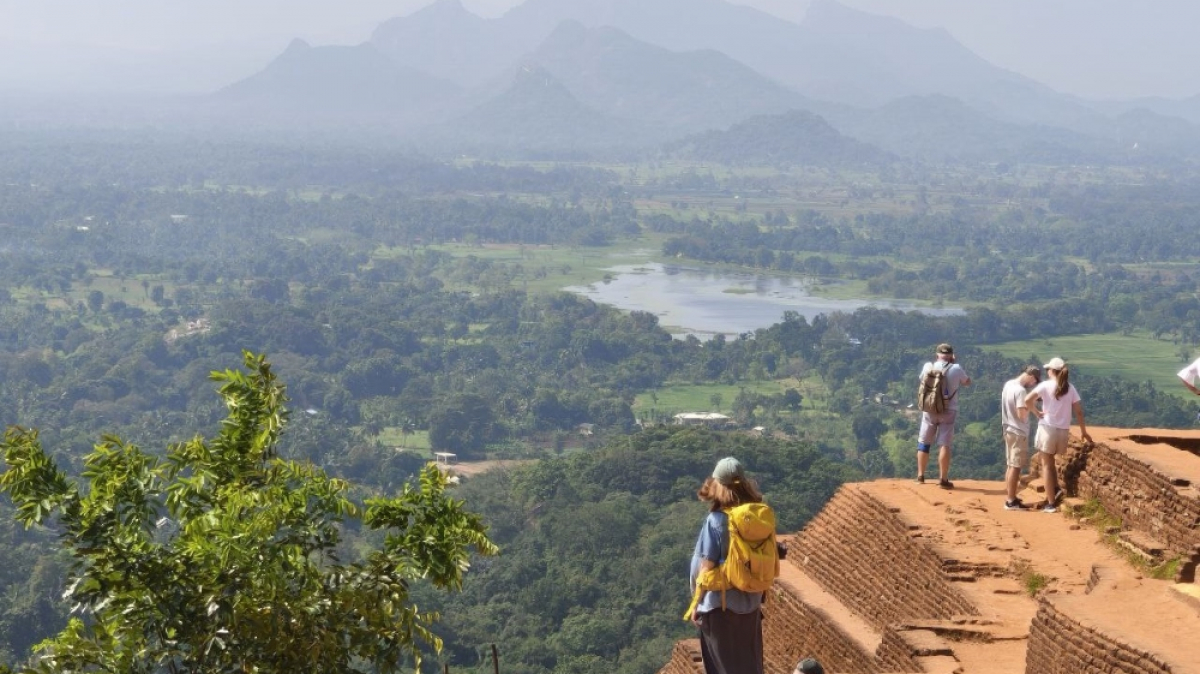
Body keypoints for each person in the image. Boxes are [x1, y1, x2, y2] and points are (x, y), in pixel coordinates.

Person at [689, 457, 765, 674]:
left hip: (720, 607)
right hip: (751, 605)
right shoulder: (757, 516)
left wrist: (696, 604)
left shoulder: (716, 521)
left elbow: (705, 569)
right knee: (750, 667)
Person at [1024, 357, 1092, 513]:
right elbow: (1079, 412)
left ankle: (1050, 503)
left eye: (1048, 369)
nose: (1046, 371)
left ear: (1052, 371)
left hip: (1048, 428)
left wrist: (1036, 413)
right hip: (1063, 431)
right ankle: (1055, 490)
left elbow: (1027, 400)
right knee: (1052, 461)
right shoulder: (1070, 388)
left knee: (1046, 465)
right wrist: (1083, 431)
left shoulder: (1046, 386)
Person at [916, 343, 971, 489]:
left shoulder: (928, 366)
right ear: (951, 355)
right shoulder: (956, 368)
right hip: (948, 410)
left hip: (929, 409)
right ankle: (943, 479)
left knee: (924, 443)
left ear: (937, 354)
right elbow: (967, 382)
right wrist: (953, 364)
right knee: (944, 444)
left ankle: (921, 475)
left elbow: (922, 379)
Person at [1000, 366, 1041, 510]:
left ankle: (1010, 496)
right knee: (1016, 467)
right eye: (1034, 381)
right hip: (1018, 431)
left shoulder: (1008, 384)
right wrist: (1031, 407)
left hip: (1008, 428)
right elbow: (1021, 415)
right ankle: (1011, 501)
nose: (1032, 385)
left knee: (1010, 465)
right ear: (1031, 376)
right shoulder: (1021, 391)